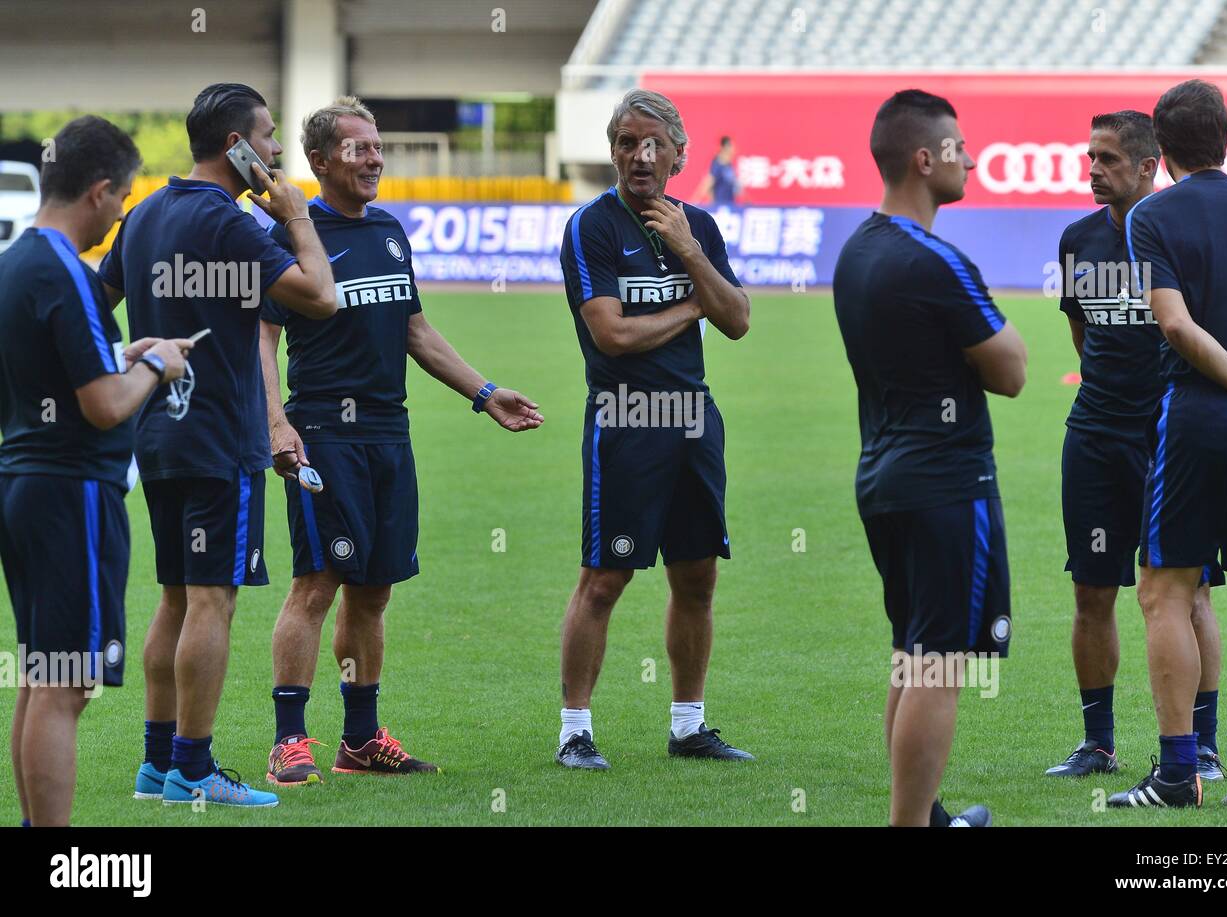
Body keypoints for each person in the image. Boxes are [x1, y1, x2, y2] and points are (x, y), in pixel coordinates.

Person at [259, 97, 543, 785]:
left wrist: (484, 391)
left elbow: (415, 330)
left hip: (391, 432)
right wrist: (276, 423)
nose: (374, 157)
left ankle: (360, 739)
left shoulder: (388, 230)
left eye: (376, 145)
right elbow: (260, 341)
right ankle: (289, 739)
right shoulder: (291, 237)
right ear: (320, 162)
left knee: (375, 591)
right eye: (357, 148)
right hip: (325, 430)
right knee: (316, 584)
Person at [99, 82, 338, 808]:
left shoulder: (141, 217)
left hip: (157, 433)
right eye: (267, 137)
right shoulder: (232, 225)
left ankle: (155, 763)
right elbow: (321, 296)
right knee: (213, 602)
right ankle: (195, 770)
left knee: (174, 598)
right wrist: (296, 217)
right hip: (220, 439)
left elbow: (92, 301)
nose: (274, 150)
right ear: (235, 145)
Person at [833, 89, 1026, 826]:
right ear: (925, 158)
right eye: (958, 146)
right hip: (947, 482)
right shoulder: (937, 259)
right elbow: (1011, 372)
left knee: (913, 656)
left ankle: (926, 816)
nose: (970, 157)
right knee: (940, 664)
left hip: (883, 475)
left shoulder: (855, 250)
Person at [1109, 79, 1227, 811]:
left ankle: (1178, 773)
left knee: (1164, 592)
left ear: (1161, 146)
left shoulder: (1153, 216)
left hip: (1192, 419)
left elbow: (1178, 329)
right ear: (1225, 133)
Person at [0, 116, 189, 826]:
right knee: (68, 684)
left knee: (41, 673)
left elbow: (46, 376)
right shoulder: (67, 271)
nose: (118, 215)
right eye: (121, 199)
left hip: (23, 481)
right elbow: (107, 406)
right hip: (70, 491)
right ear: (100, 191)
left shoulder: (15, 261)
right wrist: (151, 362)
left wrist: (117, 357)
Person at [555, 89, 752, 769]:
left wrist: (691, 256)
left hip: (694, 419)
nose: (638, 156)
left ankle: (689, 725)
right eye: (625, 142)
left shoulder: (697, 225)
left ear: (676, 154)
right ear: (613, 149)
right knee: (604, 578)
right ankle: (575, 731)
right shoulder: (592, 227)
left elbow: (737, 318)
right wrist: (693, 304)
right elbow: (610, 335)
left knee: (696, 577)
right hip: (626, 421)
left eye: (651, 144)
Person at [1048, 111, 1224, 781]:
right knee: (1092, 593)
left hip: (1172, 439)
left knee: (1188, 593)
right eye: (1090, 157)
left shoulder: (1180, 232)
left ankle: (1201, 747)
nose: (1093, 169)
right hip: (1095, 436)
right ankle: (1098, 744)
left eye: (1108, 159)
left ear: (1149, 167)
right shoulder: (1077, 240)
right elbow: (1082, 335)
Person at [693, 136, 738, 205]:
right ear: (726, 147)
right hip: (720, 207)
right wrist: (694, 203)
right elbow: (707, 184)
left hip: (730, 205)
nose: (734, 149)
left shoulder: (729, 165)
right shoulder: (717, 164)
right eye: (731, 146)